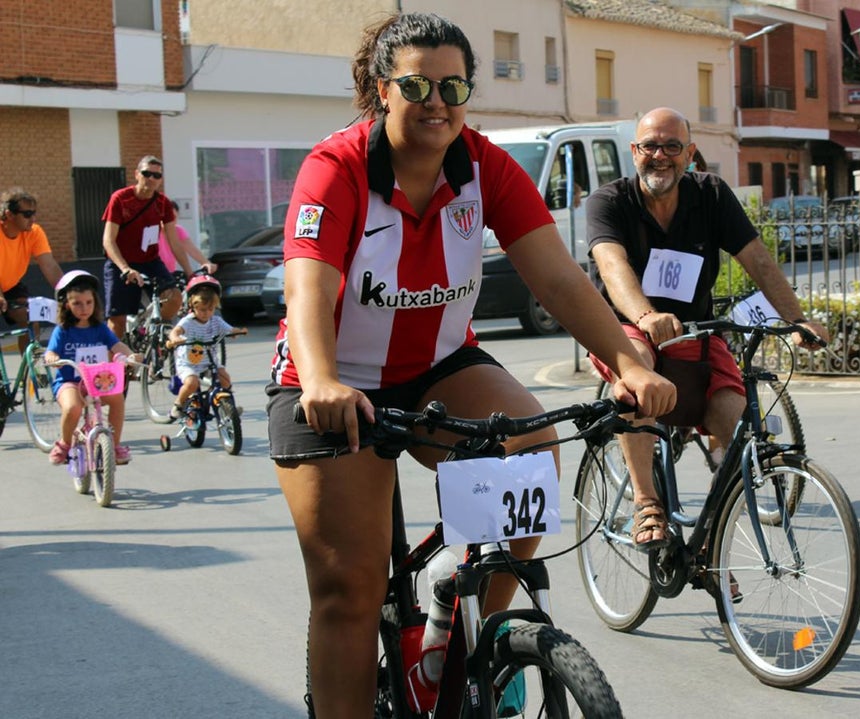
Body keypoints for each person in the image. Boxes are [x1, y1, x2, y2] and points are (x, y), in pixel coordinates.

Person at [264, 13, 675, 718]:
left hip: (436, 366)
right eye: (417, 83)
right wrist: (324, 380)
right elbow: (309, 286)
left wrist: (625, 361)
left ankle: (446, 640)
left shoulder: (484, 164)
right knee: (350, 589)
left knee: (531, 443)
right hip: (328, 379)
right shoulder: (335, 169)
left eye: (453, 84)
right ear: (379, 89)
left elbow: (558, 280)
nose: (437, 100)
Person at [584, 107, 828, 549]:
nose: (660, 156)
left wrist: (796, 320)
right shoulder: (610, 201)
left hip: (696, 331)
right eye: (649, 146)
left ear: (689, 153)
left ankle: (711, 546)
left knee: (734, 424)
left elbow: (756, 259)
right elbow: (611, 264)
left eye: (671, 146)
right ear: (634, 151)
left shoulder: (711, 194)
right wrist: (644, 316)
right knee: (638, 370)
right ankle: (646, 504)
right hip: (626, 327)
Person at [43, 271, 137, 465]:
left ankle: (115, 446)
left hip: (97, 382)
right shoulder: (63, 330)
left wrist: (131, 355)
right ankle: (64, 443)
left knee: (117, 398)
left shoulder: (100, 329)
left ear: (95, 303)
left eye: (88, 302)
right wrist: (52, 358)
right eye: (77, 303)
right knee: (72, 407)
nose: (84, 308)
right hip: (70, 382)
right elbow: (50, 353)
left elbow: (117, 345)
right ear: (66, 304)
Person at [101, 155, 188, 339]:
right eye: (147, 173)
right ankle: (117, 365)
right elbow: (108, 240)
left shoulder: (162, 202)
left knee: (175, 298)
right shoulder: (120, 199)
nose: (151, 179)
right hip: (121, 264)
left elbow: (174, 242)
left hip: (150, 261)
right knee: (117, 321)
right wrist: (125, 269)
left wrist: (190, 272)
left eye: (157, 176)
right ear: (137, 174)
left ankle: (153, 333)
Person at [166, 275, 246, 421]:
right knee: (191, 383)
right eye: (202, 310)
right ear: (193, 306)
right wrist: (175, 338)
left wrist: (236, 332)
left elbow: (228, 329)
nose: (206, 313)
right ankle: (178, 405)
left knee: (224, 378)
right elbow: (175, 331)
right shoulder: (188, 321)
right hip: (188, 363)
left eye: (210, 309)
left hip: (209, 362)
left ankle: (229, 406)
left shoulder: (215, 321)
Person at [0, 188, 64, 350]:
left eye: (34, 213)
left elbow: (49, 265)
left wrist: (68, 293)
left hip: (11, 285)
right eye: (27, 214)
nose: (33, 219)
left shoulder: (34, 233)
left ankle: (29, 374)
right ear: (9, 214)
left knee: (31, 317)